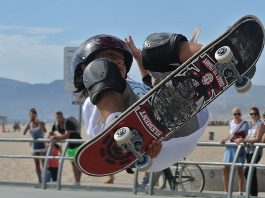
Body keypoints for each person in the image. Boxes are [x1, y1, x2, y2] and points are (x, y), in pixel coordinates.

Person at [72, 33, 208, 173]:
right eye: (110, 56)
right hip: (154, 151)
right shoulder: (95, 102)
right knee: (109, 76)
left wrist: (139, 57)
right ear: (85, 68)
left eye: (121, 59)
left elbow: (150, 84)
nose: (119, 61)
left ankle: (214, 56)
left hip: (187, 120)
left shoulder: (132, 87)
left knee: (153, 47)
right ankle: (122, 134)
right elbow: (99, 139)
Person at [236, 107, 265, 196]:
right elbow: (248, 137)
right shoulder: (251, 124)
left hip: (256, 151)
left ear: (258, 114)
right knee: (251, 171)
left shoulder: (260, 125)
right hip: (248, 150)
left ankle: (252, 193)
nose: (253, 115)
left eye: (254, 113)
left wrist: (244, 141)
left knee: (248, 171)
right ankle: (253, 193)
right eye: (251, 114)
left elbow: (258, 139)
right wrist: (242, 139)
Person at [48, 112, 82, 185]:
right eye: (57, 118)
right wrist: (52, 136)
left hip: (77, 144)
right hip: (69, 146)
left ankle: (78, 181)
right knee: (73, 164)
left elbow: (66, 136)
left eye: (60, 117)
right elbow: (51, 133)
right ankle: (77, 181)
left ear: (62, 116)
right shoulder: (56, 124)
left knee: (78, 164)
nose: (59, 119)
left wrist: (55, 137)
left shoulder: (68, 122)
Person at [220, 107, 249, 195]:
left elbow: (244, 136)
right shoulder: (231, 123)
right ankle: (226, 191)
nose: (237, 116)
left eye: (238, 114)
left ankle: (240, 192)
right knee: (225, 169)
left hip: (239, 148)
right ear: (232, 115)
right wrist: (224, 139)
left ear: (241, 114)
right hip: (230, 147)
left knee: (240, 170)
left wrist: (237, 138)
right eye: (235, 114)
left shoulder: (245, 124)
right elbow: (230, 135)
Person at [22, 108, 47, 183]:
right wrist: (29, 122)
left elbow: (45, 131)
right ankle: (39, 179)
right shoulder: (29, 124)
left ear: (36, 115)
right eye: (30, 115)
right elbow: (24, 132)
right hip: (34, 146)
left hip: (42, 145)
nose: (32, 116)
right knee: (37, 164)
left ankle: (44, 179)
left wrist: (39, 123)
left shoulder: (40, 122)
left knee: (43, 164)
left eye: (33, 114)